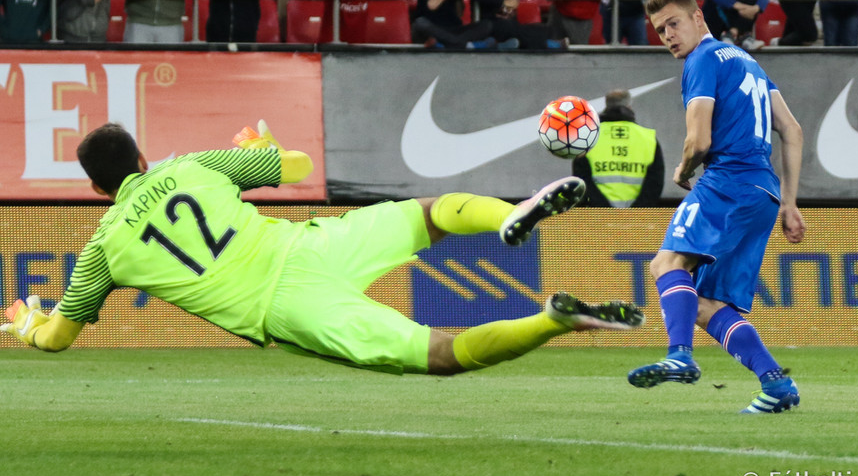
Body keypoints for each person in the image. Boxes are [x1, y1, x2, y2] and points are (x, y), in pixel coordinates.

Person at [1, 121, 645, 373]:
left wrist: (29, 325)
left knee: (439, 353)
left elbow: (58, 339)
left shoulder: (103, 248)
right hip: (310, 244)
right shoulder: (190, 164)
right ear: (143, 157)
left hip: (284, 307)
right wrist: (263, 147)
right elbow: (298, 164)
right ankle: (512, 214)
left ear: (96, 189)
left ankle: (552, 320)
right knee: (433, 213)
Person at [628, 0, 806, 415]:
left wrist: (683, 170)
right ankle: (776, 384)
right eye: (660, 30)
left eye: (674, 24)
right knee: (706, 304)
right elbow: (792, 129)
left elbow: (700, 140)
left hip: (728, 180)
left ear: (698, 19)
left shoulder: (702, 59)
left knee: (666, 264)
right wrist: (789, 202)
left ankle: (679, 355)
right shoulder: (748, 61)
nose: (668, 35)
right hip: (763, 194)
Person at [572, 89, 664, 208]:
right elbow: (655, 183)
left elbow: (581, 180)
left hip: (599, 215)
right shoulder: (648, 139)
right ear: (629, 106)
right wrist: (636, 212)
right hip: (637, 217)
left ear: (606, 105)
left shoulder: (589, 138)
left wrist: (605, 210)